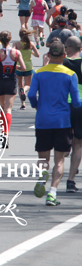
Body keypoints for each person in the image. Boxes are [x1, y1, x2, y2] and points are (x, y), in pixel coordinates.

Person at [29, 40, 81, 206]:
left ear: (48, 55)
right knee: (59, 160)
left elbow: (31, 94)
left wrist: (37, 105)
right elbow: (76, 101)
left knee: (43, 157)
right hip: (62, 121)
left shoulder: (39, 73)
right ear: (64, 55)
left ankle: (42, 176)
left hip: (43, 120)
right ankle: (52, 193)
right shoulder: (70, 74)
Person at [0, 31, 27, 147]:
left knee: (2, 107)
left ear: (0, 40)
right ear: (10, 40)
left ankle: (3, 131)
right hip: (11, 81)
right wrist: (14, 66)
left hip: (0, 81)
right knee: (8, 109)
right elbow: (23, 68)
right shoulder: (16, 53)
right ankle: (6, 133)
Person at [63, 36, 82, 193]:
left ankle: (57, 171)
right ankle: (70, 181)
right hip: (80, 104)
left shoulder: (62, 63)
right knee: (78, 143)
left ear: (67, 48)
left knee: (63, 142)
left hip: (63, 104)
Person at [13, 29, 40, 110]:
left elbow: (12, 53)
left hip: (19, 66)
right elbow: (37, 55)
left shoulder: (16, 44)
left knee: (20, 84)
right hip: (28, 66)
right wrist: (31, 52)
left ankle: (23, 104)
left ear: (19, 35)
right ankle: (24, 91)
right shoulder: (30, 44)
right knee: (28, 84)